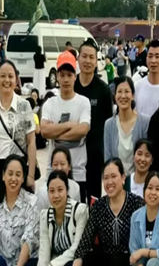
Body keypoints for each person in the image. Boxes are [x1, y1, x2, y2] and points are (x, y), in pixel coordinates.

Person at [68, 159, 146, 266]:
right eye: (106, 177)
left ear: (123, 178)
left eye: (114, 176)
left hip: (130, 263)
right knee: (88, 256)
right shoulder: (98, 207)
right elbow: (83, 245)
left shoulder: (137, 203)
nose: (109, 182)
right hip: (107, 264)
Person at [0, 59, 37, 221]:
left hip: (19, 170)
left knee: (19, 222)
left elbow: (31, 142)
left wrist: (30, 175)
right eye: (2, 76)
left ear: (16, 79)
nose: (7, 80)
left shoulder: (24, 106)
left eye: (11, 76)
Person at [28, 171, 90, 266]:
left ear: (67, 191)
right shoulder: (45, 215)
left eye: (60, 190)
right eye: (52, 191)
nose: (56, 195)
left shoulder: (80, 210)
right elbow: (44, 252)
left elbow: (77, 248)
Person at [40, 52, 93, 200]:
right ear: (57, 76)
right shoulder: (50, 103)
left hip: (77, 171)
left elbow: (83, 130)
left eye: (69, 75)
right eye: (62, 75)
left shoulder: (83, 102)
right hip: (54, 171)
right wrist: (69, 125)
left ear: (75, 76)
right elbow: (44, 131)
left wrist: (55, 131)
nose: (66, 79)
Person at [74, 39, 113, 186]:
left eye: (91, 57)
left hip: (95, 155)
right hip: (73, 153)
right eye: (84, 56)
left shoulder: (103, 90)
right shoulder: (72, 86)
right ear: (78, 58)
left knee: (93, 199)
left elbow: (109, 125)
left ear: (96, 62)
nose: (87, 61)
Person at [102, 76, 148, 173]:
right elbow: (108, 159)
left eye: (127, 92)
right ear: (115, 95)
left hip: (138, 180)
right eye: (119, 92)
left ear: (133, 95)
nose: (123, 96)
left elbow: (147, 156)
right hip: (116, 181)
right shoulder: (109, 125)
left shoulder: (144, 122)